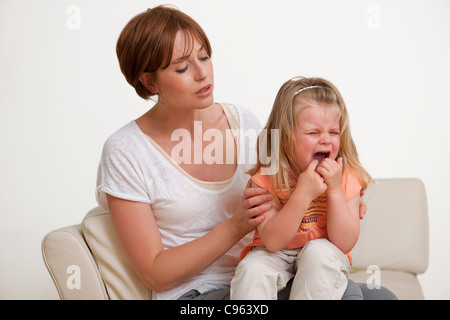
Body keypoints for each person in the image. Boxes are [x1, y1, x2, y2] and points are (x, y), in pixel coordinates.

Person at [96, 5, 396, 300]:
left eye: (204, 56)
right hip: (208, 289)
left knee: (382, 297)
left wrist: (337, 199)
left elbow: (291, 182)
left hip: (284, 271)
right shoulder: (126, 151)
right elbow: (154, 274)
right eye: (183, 67)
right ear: (149, 82)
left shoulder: (245, 124)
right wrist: (238, 224)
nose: (203, 73)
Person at [230, 76, 382, 300]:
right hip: (275, 253)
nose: (326, 140)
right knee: (252, 268)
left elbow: (344, 243)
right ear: (285, 139)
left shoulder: (346, 177)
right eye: (313, 133)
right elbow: (272, 241)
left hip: (324, 251)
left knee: (319, 255)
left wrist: (335, 192)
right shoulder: (268, 177)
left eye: (333, 132)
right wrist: (302, 194)